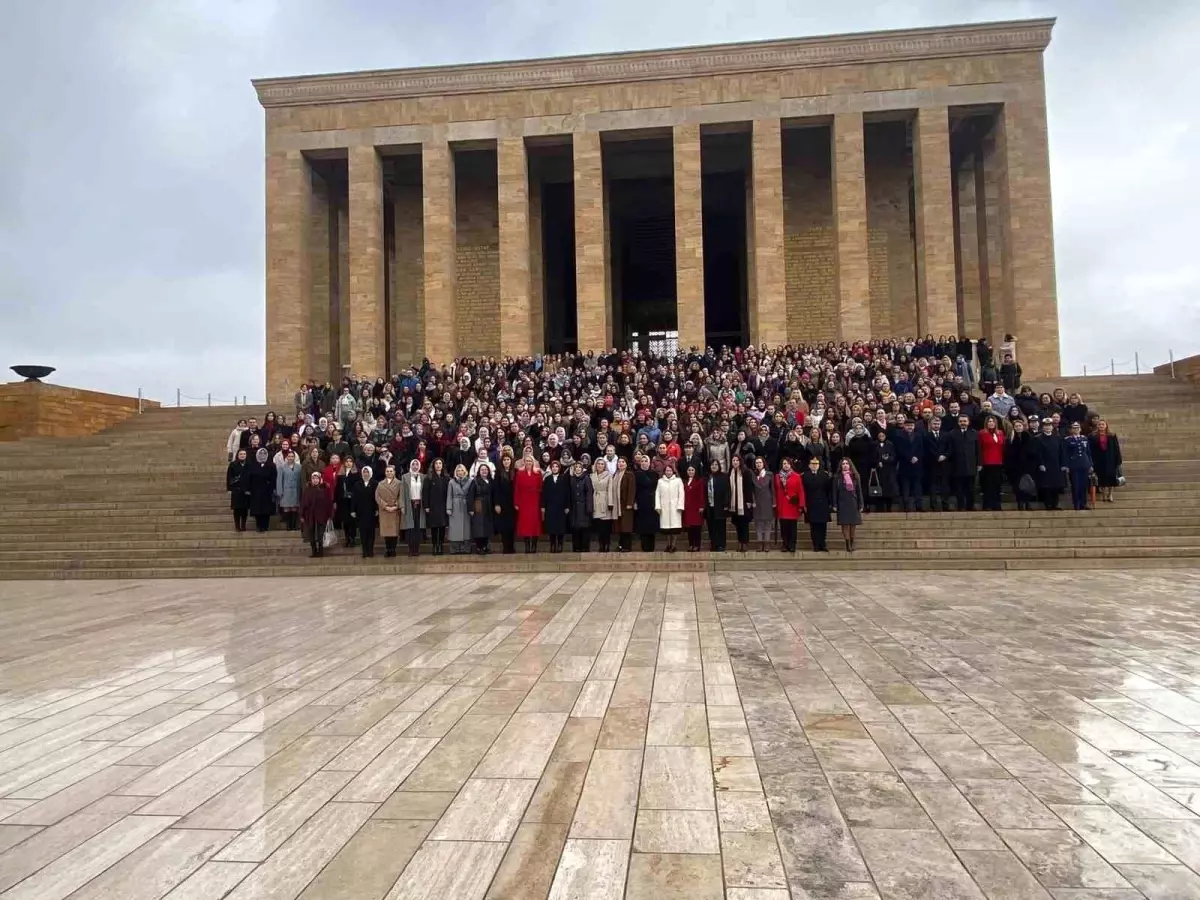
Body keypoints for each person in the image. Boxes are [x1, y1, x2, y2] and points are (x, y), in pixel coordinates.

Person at [1032, 418, 1067, 511]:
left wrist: (1063, 464)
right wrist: (1041, 464)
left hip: (1056, 465)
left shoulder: (1057, 438)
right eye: (1046, 426)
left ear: (1052, 427)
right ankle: (1048, 504)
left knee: (1056, 486)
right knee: (1046, 486)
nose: (1048, 427)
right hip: (1045, 466)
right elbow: (1038, 453)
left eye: (1049, 425)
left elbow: (1061, 452)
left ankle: (1055, 504)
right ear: (1043, 427)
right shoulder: (1038, 438)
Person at [946, 415, 979, 511]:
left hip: (970, 465)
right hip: (957, 466)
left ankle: (970, 506)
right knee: (958, 488)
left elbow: (978, 450)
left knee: (971, 488)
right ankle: (961, 506)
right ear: (958, 422)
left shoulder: (974, 433)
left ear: (968, 422)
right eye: (961, 421)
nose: (963, 423)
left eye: (965, 421)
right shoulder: (951, 434)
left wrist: (979, 463)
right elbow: (949, 449)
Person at [800, 456, 832, 551]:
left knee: (823, 525)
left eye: (816, 464)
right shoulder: (804, 475)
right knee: (813, 526)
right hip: (811, 503)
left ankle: (823, 544)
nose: (814, 466)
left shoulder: (825, 475)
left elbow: (828, 490)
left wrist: (829, 503)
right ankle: (816, 544)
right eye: (813, 464)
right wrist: (804, 504)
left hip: (823, 503)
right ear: (809, 465)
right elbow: (803, 491)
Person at [1005, 418, 1037, 511]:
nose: (1018, 428)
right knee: (1017, 487)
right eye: (1016, 426)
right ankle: (1020, 503)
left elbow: (1034, 452)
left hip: (1027, 467)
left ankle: (1027, 503)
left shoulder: (1029, 437)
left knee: (1027, 486)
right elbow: (1008, 454)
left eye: (1020, 426)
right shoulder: (1010, 439)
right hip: (1015, 468)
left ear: (1023, 427)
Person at [774, 457, 805, 553]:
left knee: (792, 527)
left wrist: (801, 505)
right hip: (782, 505)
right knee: (783, 527)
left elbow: (801, 491)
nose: (786, 465)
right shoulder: (777, 476)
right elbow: (775, 491)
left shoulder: (796, 476)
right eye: (784, 463)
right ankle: (785, 544)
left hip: (792, 505)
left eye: (787, 463)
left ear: (791, 465)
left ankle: (792, 545)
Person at [514, 456, 544, 553]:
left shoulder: (538, 473)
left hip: (535, 500)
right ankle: (527, 546)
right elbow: (516, 489)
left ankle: (534, 546)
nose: (528, 462)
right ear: (523, 462)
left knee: (535, 524)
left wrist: (542, 503)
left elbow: (541, 488)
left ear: (533, 462)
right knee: (525, 524)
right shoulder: (519, 473)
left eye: (530, 461)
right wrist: (516, 502)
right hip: (524, 501)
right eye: (526, 461)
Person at [833, 458, 864, 552]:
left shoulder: (855, 476)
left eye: (847, 463)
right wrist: (834, 504)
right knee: (845, 524)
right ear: (841, 466)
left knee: (853, 524)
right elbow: (834, 492)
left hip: (853, 502)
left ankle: (851, 542)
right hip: (842, 502)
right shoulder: (837, 478)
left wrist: (861, 504)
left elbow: (859, 491)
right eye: (843, 464)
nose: (845, 465)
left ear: (850, 465)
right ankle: (847, 544)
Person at [300, 470, 333, 557]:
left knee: (320, 534)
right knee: (311, 534)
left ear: (320, 479)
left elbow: (329, 502)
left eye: (316, 478)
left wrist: (330, 515)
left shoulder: (324, 489)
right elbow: (303, 502)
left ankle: (321, 551)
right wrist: (302, 514)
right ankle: (314, 551)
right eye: (313, 478)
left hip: (321, 515)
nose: (315, 480)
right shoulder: (308, 490)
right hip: (310, 515)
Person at [1089, 419, 1123, 503]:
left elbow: (1116, 448)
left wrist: (1118, 460)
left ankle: (1110, 494)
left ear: (1106, 425)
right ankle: (1104, 493)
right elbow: (1090, 449)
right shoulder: (1093, 436)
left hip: (1110, 459)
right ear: (1097, 426)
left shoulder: (1112, 435)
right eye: (1099, 424)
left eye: (1103, 424)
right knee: (1101, 478)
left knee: (1111, 477)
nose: (1101, 426)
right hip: (1098, 460)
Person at [893, 420, 924, 513]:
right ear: (904, 426)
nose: (910, 427)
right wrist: (910, 457)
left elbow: (921, 449)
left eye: (911, 425)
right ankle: (906, 506)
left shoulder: (918, 436)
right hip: (904, 465)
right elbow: (899, 450)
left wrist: (917, 457)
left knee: (917, 486)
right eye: (908, 425)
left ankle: (919, 506)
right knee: (905, 487)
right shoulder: (899, 436)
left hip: (917, 465)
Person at [423, 457, 451, 555]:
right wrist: (426, 506)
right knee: (434, 527)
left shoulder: (447, 478)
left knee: (442, 527)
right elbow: (425, 493)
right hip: (433, 506)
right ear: (433, 465)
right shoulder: (429, 478)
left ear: (443, 466)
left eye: (440, 463)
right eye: (436, 464)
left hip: (443, 506)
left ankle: (440, 546)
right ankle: (435, 546)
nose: (438, 465)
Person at [1064, 421, 1094, 511]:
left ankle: (1083, 503)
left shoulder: (1084, 438)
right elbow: (1065, 454)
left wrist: (1090, 464)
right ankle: (1076, 504)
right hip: (1074, 465)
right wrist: (1066, 466)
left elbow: (1088, 452)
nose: (1076, 429)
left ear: (1080, 429)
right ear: (1071, 429)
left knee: (1083, 485)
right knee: (1076, 485)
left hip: (1084, 464)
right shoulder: (1068, 440)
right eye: (1074, 428)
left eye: (1077, 428)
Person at [541, 459, 570, 553]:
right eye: (553, 466)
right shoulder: (547, 479)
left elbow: (567, 493)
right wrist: (543, 506)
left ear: (559, 468)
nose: (554, 468)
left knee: (560, 527)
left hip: (561, 507)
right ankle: (552, 545)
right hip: (550, 507)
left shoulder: (563, 478)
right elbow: (544, 494)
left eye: (556, 466)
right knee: (551, 527)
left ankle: (560, 545)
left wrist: (567, 506)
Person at [978, 418, 1006, 511]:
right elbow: (979, 448)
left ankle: (997, 505)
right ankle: (987, 505)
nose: (991, 423)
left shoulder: (1000, 433)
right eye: (989, 421)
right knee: (988, 485)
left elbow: (1003, 447)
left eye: (993, 421)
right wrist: (980, 462)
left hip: (998, 462)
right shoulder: (982, 433)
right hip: (986, 463)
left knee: (997, 485)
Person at [375, 464, 403, 558]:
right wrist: (385, 506)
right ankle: (387, 549)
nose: (389, 473)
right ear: (385, 472)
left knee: (394, 532)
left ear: (394, 472)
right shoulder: (380, 484)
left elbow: (401, 496)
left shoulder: (399, 483)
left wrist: (396, 505)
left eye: (391, 471)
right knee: (386, 532)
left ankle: (393, 549)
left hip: (395, 510)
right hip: (384, 511)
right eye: (387, 471)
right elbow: (377, 497)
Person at [633, 456, 660, 552]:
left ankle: (651, 548)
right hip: (641, 501)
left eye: (646, 461)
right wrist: (635, 501)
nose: (644, 463)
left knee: (651, 527)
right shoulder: (636, 474)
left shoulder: (654, 474)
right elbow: (634, 489)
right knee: (643, 527)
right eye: (642, 461)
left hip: (652, 502)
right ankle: (644, 548)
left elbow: (658, 489)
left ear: (649, 463)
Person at [246, 448, 277, 533]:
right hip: (255, 491)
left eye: (264, 454)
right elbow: (249, 478)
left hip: (267, 491)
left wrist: (272, 488)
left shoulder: (271, 465)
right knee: (257, 509)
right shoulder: (253, 465)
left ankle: (265, 526)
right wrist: (248, 488)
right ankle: (259, 525)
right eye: (261, 454)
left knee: (266, 510)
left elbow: (274, 478)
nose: (262, 455)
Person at [655, 463, 684, 553]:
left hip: (675, 508)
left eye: (670, 470)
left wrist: (680, 505)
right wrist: (658, 506)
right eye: (667, 470)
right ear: (664, 472)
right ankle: (668, 544)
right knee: (667, 528)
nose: (668, 472)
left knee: (675, 529)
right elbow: (657, 494)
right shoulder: (660, 481)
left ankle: (674, 545)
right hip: (665, 508)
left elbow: (681, 494)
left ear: (673, 471)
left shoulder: (678, 481)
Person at [467, 463, 495, 554]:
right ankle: (479, 547)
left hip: (489, 506)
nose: (484, 471)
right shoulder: (475, 481)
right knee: (479, 527)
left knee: (487, 527)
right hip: (479, 505)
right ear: (479, 471)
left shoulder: (491, 481)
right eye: (482, 470)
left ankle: (485, 546)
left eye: (486, 469)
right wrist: (470, 508)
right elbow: (470, 495)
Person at [728, 454, 753, 552]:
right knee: (737, 524)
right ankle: (739, 542)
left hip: (744, 503)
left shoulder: (746, 472)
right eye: (733, 460)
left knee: (744, 524)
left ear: (740, 461)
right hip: (734, 503)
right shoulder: (731, 472)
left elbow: (748, 487)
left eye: (737, 460)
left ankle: (745, 543)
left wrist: (749, 501)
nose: (735, 462)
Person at [591, 458, 617, 552]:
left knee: (606, 526)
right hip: (595, 501)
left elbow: (610, 489)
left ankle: (607, 544)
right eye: (598, 464)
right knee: (599, 526)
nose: (600, 466)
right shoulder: (591, 475)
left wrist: (610, 503)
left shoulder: (609, 476)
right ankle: (601, 544)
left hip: (605, 501)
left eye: (602, 464)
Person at [705, 458, 731, 552]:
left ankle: (721, 545)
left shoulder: (723, 477)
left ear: (719, 466)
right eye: (712, 465)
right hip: (709, 506)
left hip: (720, 506)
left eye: (716, 464)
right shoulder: (707, 477)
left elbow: (727, 491)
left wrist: (726, 504)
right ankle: (713, 544)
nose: (714, 466)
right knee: (711, 527)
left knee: (720, 527)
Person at [351, 465, 378, 557]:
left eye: (367, 472)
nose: (366, 474)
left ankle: (370, 550)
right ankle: (364, 551)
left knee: (371, 532)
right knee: (363, 532)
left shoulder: (375, 483)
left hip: (371, 511)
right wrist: (353, 510)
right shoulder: (357, 484)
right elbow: (354, 498)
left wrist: (377, 509)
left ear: (370, 473)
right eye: (364, 472)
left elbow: (377, 498)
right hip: (360, 511)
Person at [492, 455, 517, 554]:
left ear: (511, 461)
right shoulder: (498, 473)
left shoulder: (515, 472)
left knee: (511, 526)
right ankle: (506, 547)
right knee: (504, 527)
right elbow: (496, 490)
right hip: (502, 503)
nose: (506, 462)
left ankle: (511, 546)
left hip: (513, 503)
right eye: (504, 460)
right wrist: (497, 504)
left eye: (508, 460)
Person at [568, 461, 594, 552]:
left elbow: (589, 493)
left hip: (584, 507)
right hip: (574, 507)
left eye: (579, 467)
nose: (578, 469)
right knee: (576, 528)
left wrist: (589, 507)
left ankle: (585, 547)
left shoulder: (586, 478)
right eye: (576, 467)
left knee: (584, 528)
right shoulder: (572, 479)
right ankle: (576, 547)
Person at [401, 459, 425, 557]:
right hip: (409, 504)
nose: (415, 466)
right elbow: (402, 492)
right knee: (410, 528)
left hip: (420, 505)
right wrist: (402, 505)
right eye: (413, 464)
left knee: (418, 528)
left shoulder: (423, 477)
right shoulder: (405, 477)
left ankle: (417, 549)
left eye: (417, 464)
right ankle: (411, 549)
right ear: (410, 466)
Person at [446, 464, 472, 554]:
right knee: (454, 528)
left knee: (466, 528)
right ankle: (455, 549)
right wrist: (449, 508)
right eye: (458, 470)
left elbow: (472, 495)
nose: (460, 472)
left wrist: (471, 507)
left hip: (466, 505)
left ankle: (466, 548)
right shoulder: (451, 482)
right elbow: (449, 495)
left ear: (465, 471)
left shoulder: (470, 481)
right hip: (455, 506)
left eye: (461, 470)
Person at [751, 456, 775, 552]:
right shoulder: (752, 475)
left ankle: (767, 543)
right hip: (757, 502)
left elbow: (772, 489)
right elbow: (751, 490)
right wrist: (753, 500)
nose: (758, 464)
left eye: (760, 462)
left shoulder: (769, 474)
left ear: (763, 463)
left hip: (767, 501)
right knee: (758, 524)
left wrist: (774, 502)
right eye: (756, 463)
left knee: (768, 523)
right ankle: (760, 543)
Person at [871, 429, 898, 513]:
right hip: (879, 471)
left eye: (883, 436)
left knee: (889, 490)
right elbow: (872, 457)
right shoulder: (874, 445)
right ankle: (879, 509)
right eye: (879, 436)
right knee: (879, 490)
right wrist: (877, 463)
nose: (881, 437)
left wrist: (886, 460)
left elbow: (893, 456)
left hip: (889, 471)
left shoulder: (890, 444)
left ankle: (889, 508)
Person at [612, 456, 636, 552]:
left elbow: (632, 489)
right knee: (620, 526)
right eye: (619, 462)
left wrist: (630, 502)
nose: (620, 463)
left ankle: (627, 546)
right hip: (617, 504)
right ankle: (621, 545)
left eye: (623, 462)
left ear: (626, 464)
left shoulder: (629, 474)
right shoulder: (615, 474)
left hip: (626, 504)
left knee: (626, 526)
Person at [275, 449, 302, 531]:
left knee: (294, 508)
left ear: (294, 457)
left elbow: (301, 479)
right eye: (289, 456)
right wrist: (280, 491)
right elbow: (279, 480)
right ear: (286, 457)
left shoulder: (299, 467)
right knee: (287, 508)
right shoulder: (282, 467)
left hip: (296, 490)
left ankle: (294, 525)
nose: (290, 458)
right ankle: (288, 526)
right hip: (286, 490)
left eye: (292, 456)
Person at [226, 448, 251, 532]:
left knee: (244, 509)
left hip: (246, 490)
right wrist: (229, 489)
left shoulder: (249, 464)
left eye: (244, 454)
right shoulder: (233, 465)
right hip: (236, 490)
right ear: (237, 455)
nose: (242, 455)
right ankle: (237, 526)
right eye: (241, 454)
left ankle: (243, 525)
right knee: (237, 509)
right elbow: (229, 477)